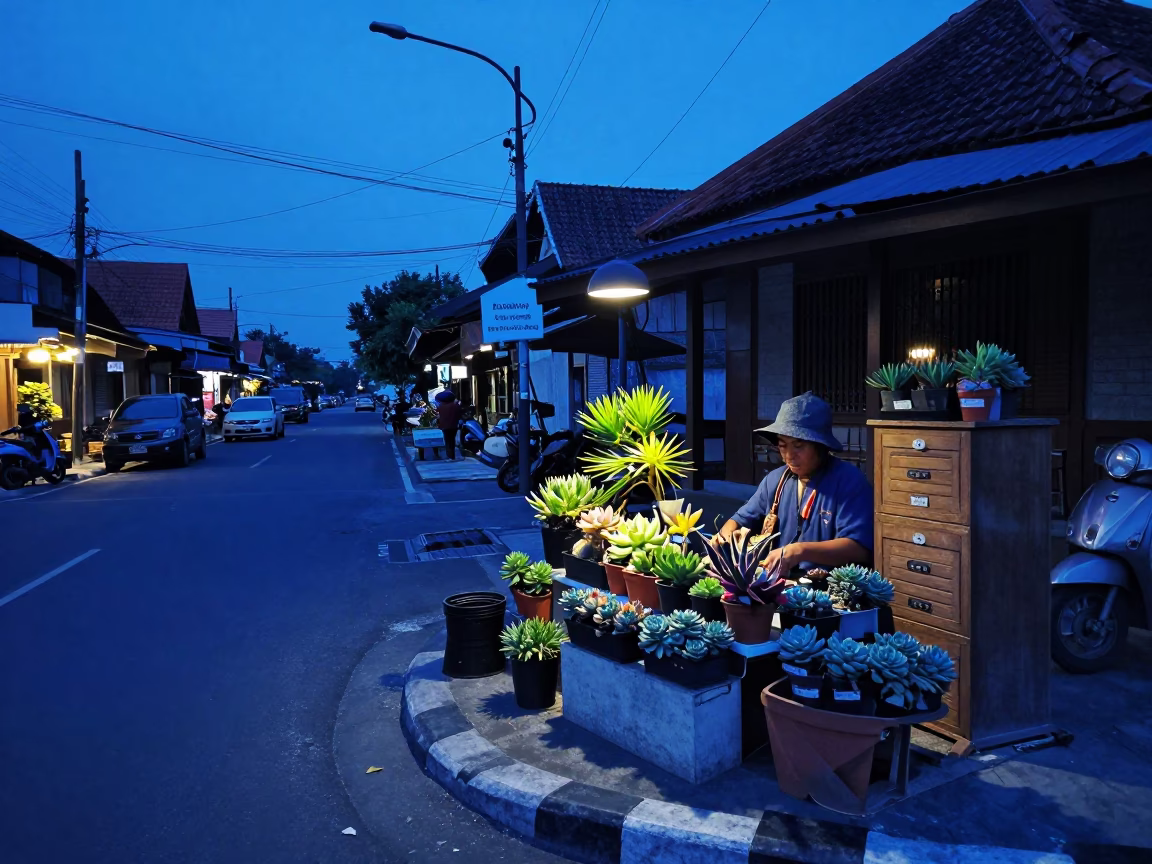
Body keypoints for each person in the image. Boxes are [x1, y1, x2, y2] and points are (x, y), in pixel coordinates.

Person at [718, 392, 873, 576]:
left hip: (828, 590)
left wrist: (799, 551)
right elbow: (738, 520)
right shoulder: (775, 480)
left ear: (821, 445)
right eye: (783, 445)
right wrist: (725, 537)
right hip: (776, 585)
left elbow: (859, 548)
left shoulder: (849, 481)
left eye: (798, 446)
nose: (789, 455)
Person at [434, 389, 463, 460]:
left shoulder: (441, 406)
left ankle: (450, 456)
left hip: (445, 426)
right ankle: (452, 456)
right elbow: (459, 414)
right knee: (452, 440)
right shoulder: (456, 405)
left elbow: (438, 414)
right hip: (454, 425)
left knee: (447, 441)